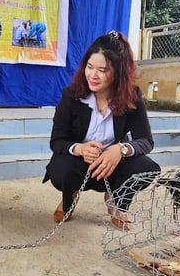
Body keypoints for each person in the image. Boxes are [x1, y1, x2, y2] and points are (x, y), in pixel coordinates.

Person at [43, 30, 160, 228]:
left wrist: (120, 150)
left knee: (147, 168)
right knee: (61, 170)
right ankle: (70, 196)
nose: (93, 75)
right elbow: (57, 141)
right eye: (90, 67)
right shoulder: (71, 95)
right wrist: (80, 148)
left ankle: (117, 200)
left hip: (112, 165)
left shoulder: (132, 96)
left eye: (103, 70)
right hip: (79, 164)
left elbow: (146, 141)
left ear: (119, 72)